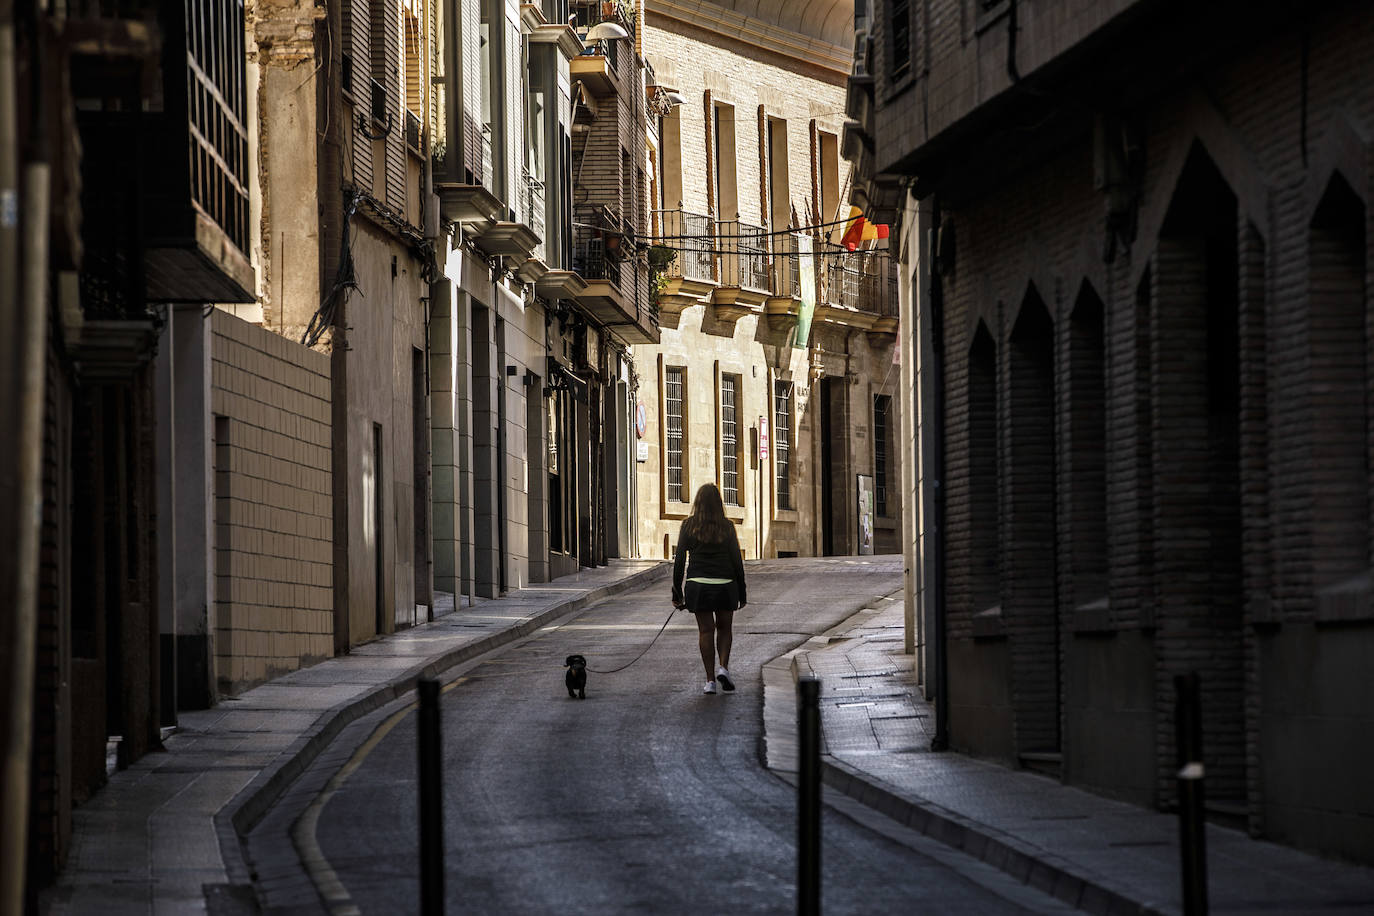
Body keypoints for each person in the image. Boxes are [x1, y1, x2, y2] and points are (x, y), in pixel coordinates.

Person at [672, 483, 747, 695]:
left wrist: (676, 591)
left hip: (699, 586)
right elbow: (736, 562)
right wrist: (742, 591)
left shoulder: (688, 526)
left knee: (706, 630)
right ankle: (723, 667)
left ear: (697, 503)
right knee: (725, 629)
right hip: (725, 584)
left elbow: (679, 562)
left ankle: (710, 681)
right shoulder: (727, 526)